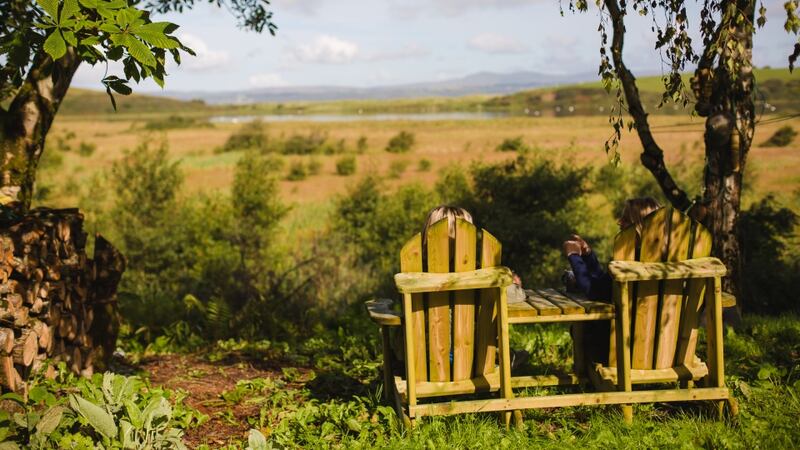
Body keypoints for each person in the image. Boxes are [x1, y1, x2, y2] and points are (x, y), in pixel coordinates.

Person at [562, 197, 662, 366]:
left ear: (639, 228)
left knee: (583, 328)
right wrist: (588, 257)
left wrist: (574, 257)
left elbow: (594, 291)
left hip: (619, 350)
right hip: (658, 349)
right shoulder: (664, 263)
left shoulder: (629, 263)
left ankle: (584, 375)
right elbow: (605, 286)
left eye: (626, 220)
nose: (619, 222)